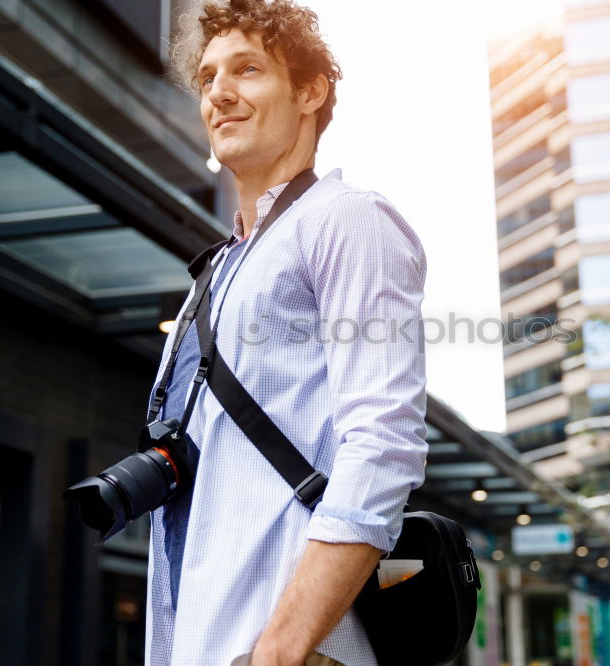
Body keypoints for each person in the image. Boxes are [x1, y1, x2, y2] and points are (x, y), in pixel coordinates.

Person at [148, 1, 428, 664]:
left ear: (310, 91)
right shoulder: (214, 274)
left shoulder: (346, 220)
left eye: (246, 69)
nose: (219, 91)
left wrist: (281, 647)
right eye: (209, 76)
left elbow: (384, 442)